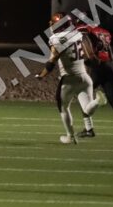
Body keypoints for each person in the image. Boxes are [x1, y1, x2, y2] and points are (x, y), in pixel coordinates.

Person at [36, 13, 105, 143]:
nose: (51, 25)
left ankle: (70, 136)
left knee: (63, 107)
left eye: (53, 23)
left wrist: (41, 75)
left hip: (69, 79)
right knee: (87, 109)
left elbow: (52, 61)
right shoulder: (77, 34)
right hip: (85, 77)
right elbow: (88, 55)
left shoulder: (56, 39)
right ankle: (97, 101)